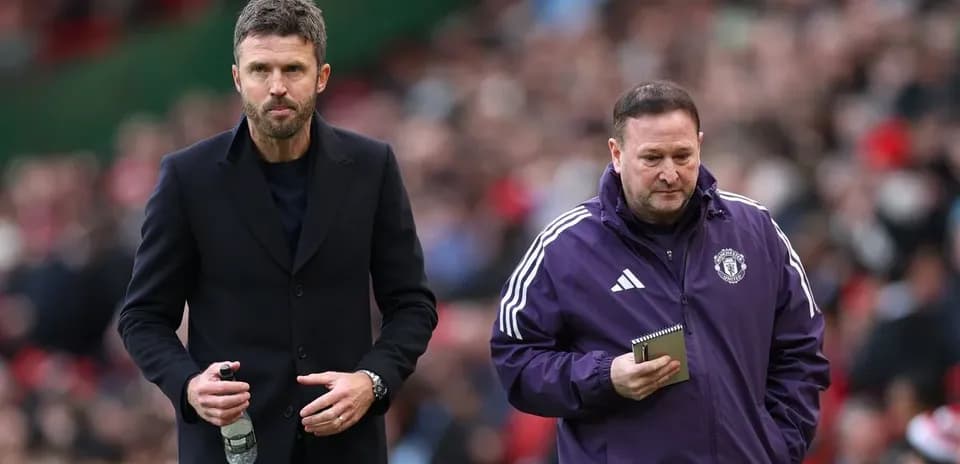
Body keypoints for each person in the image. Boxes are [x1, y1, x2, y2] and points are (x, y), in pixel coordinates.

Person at [116, 1, 437, 462]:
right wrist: (188, 386)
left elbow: (412, 305)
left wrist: (372, 381)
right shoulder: (188, 178)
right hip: (232, 449)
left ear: (322, 76)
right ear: (236, 77)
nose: (277, 87)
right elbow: (143, 316)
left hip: (345, 447)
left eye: (293, 69)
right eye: (260, 70)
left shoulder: (372, 167)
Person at [490, 80, 830, 463]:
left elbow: (801, 348)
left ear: (700, 145)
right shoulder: (564, 249)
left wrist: (778, 446)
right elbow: (516, 359)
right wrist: (604, 377)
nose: (670, 173)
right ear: (617, 155)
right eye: (652, 158)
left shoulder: (755, 230)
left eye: (682, 155)